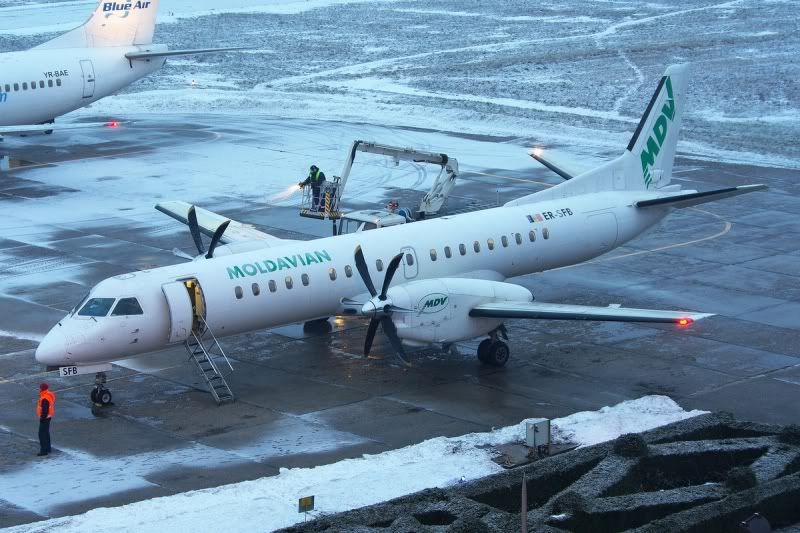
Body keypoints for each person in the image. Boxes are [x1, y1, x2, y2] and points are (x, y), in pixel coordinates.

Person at [37, 383, 55, 456]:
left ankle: (44, 450)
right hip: (49, 416)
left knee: (41, 434)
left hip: (45, 417)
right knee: (46, 432)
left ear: (41, 388)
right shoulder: (48, 394)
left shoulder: (44, 397)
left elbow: (45, 410)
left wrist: (42, 418)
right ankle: (48, 448)